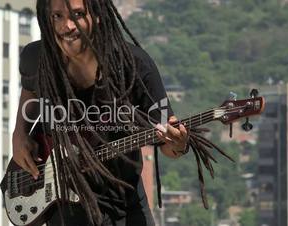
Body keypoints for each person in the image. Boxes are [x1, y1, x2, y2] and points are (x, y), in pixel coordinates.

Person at [12, 0, 188, 225]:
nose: (67, 25)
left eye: (77, 14)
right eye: (57, 16)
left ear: (97, 14)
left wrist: (178, 144)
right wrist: (19, 134)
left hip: (124, 206)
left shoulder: (134, 66)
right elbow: (29, 89)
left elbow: (170, 144)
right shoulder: (36, 57)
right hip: (65, 208)